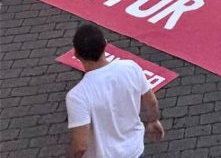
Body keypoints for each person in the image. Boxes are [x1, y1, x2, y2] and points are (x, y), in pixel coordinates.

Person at [66, 23, 164, 158]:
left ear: (76, 54)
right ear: (105, 44)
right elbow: (151, 102)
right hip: (135, 151)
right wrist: (153, 121)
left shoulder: (78, 96)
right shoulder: (131, 68)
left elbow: (80, 146)